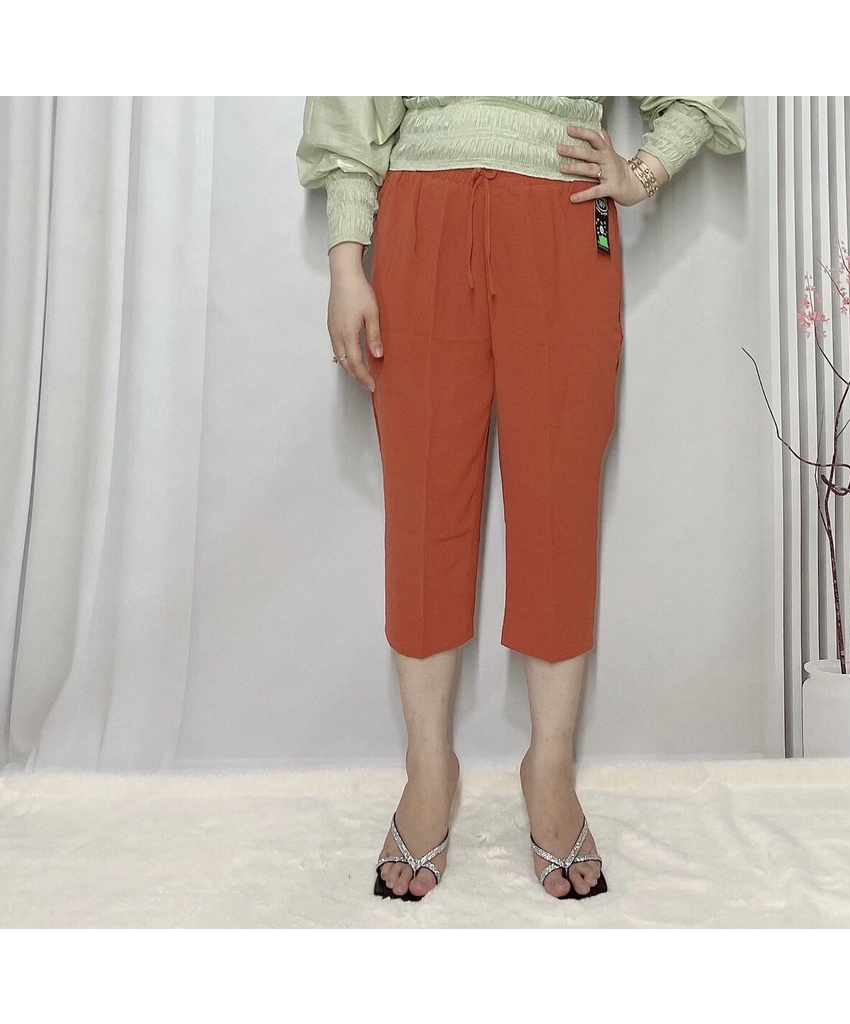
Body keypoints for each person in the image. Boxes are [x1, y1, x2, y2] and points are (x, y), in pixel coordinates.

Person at [296, 96, 746, 901]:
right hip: (423, 212)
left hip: (564, 215)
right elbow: (353, 92)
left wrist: (643, 173)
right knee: (423, 501)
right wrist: (345, 263)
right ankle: (427, 766)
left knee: (558, 505)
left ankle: (552, 765)